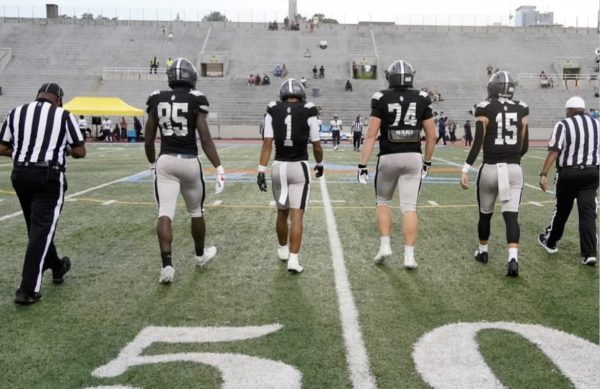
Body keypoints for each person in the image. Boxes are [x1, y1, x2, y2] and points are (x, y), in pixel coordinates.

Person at [0, 82, 86, 304]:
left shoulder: (16, 112)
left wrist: (23, 153)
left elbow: (1, 147)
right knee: (41, 231)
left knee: (36, 228)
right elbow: (80, 151)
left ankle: (56, 266)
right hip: (48, 176)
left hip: (20, 174)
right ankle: (27, 288)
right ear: (58, 99)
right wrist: (61, 150)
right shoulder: (63, 115)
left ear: (37, 95)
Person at [144, 57, 225, 284]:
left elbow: (148, 140)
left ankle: (167, 266)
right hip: (189, 160)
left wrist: (152, 164)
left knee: (165, 212)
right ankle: (200, 256)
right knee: (196, 211)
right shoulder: (196, 99)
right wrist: (218, 165)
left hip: (165, 160)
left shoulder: (156, 98)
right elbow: (205, 138)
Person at [357, 60, 436, 269]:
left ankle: (385, 245)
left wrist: (362, 165)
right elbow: (432, 136)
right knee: (409, 208)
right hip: (413, 157)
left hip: (388, 157)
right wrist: (427, 161)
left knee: (383, 201)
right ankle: (409, 257)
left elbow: (371, 135)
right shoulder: (421, 98)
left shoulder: (381, 97)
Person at [460, 71, 529, 277]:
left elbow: (478, 141)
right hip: (514, 169)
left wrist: (465, 168)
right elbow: (524, 144)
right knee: (512, 217)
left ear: (493, 88)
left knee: (485, 214)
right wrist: (513, 158)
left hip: (490, 168)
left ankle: (483, 252)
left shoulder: (484, 107)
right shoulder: (522, 108)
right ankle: (513, 258)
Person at [257, 79, 324, 273]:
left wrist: (261, 169)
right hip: (299, 166)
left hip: (278, 166)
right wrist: (320, 164)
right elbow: (317, 145)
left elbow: (267, 142)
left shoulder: (272, 109)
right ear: (302, 94)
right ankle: (293, 260)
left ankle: (283, 249)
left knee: (281, 211)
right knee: (297, 216)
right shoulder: (309, 109)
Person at [537, 96, 599, 266]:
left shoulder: (563, 125)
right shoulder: (597, 124)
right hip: (592, 173)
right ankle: (589, 254)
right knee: (588, 213)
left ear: (569, 111)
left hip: (569, 173)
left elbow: (554, 151)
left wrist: (543, 173)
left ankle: (551, 242)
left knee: (562, 210)